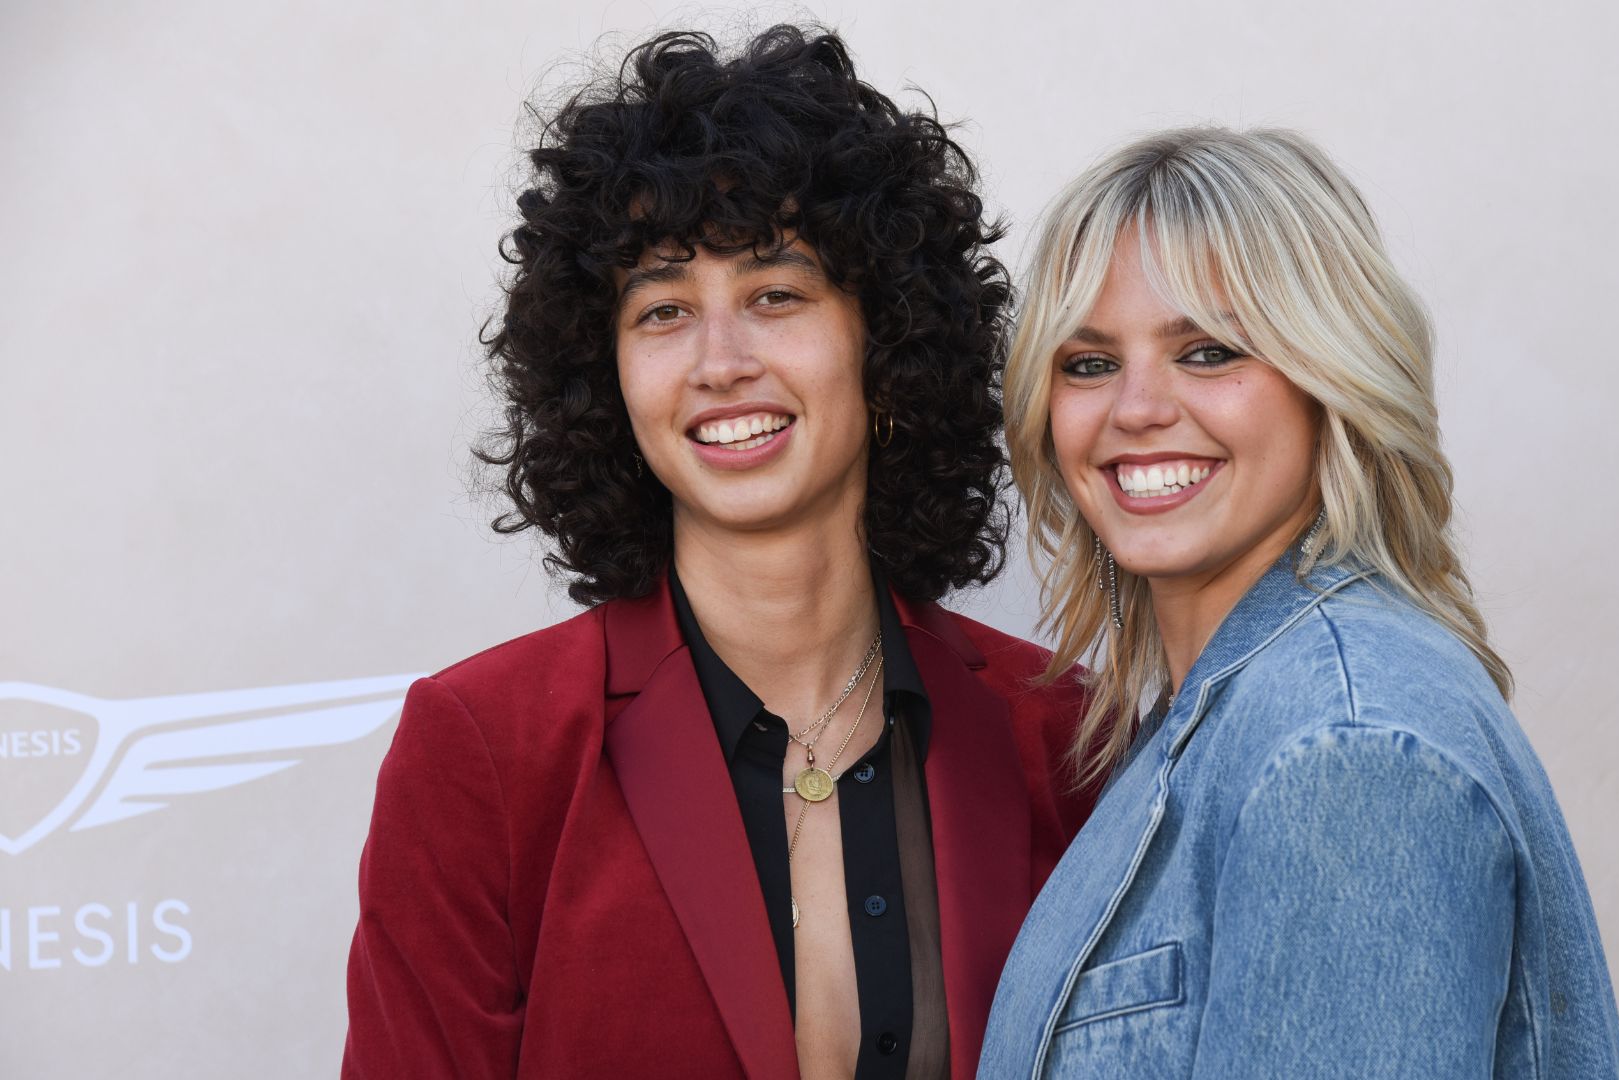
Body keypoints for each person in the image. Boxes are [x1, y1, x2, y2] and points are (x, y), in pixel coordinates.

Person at [342, 26, 1093, 1080]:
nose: (720, 362)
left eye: (776, 295)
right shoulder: (486, 753)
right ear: (603, 379)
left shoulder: (1062, 737)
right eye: (662, 311)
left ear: (887, 340)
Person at [978, 128, 1619, 1078]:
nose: (1135, 409)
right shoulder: (1217, 716)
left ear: (1333, 380)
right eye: (1088, 363)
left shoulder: (1343, 748)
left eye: (1207, 351)